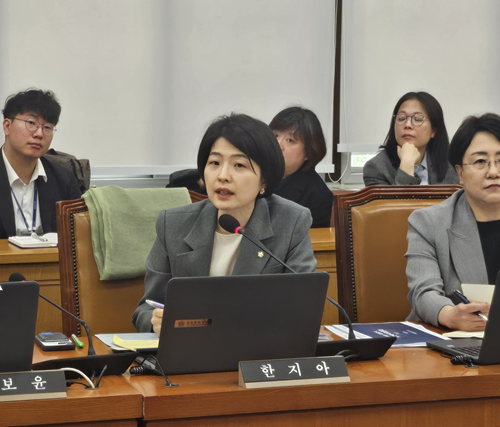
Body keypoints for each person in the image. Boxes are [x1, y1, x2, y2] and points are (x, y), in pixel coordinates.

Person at [133, 113, 318, 334]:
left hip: (257, 347)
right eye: (214, 163)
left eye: (239, 165)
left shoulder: (291, 222)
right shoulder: (173, 224)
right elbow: (146, 308)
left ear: (265, 180)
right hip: (190, 346)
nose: (222, 176)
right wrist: (155, 322)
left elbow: (302, 307)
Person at [405, 113, 500, 332]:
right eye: (480, 161)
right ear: (460, 173)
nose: (494, 172)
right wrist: (450, 315)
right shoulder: (429, 223)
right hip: (456, 340)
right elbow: (423, 292)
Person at [0, 89, 82, 239]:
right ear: (7, 126)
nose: (39, 134)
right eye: (31, 123)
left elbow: (77, 238)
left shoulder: (64, 180)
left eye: (47, 127)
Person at [363, 92, 459, 186]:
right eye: (401, 118)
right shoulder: (376, 168)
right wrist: (406, 165)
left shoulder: (451, 163)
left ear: (433, 130)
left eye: (417, 119)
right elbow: (398, 197)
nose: (407, 125)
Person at [269, 106, 333, 228]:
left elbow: (312, 239)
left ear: (309, 153)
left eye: (290, 140)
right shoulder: (254, 175)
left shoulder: (318, 195)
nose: (278, 144)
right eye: (275, 135)